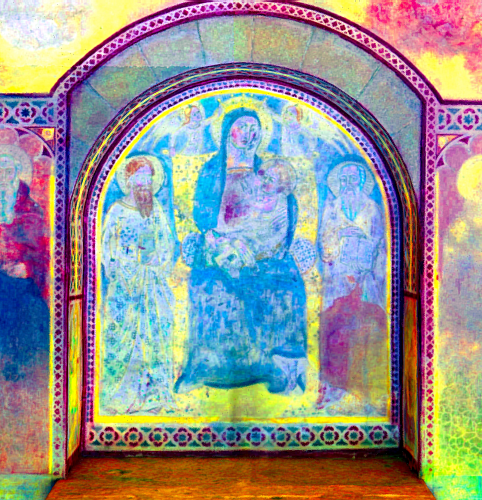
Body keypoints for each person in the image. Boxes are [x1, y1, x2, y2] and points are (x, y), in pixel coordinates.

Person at [175, 108, 308, 395]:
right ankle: (206, 368)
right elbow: (201, 213)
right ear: (227, 132)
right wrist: (216, 239)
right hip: (219, 246)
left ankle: (277, 369)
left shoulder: (267, 169)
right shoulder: (213, 170)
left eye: (254, 128)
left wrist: (269, 240)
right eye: (242, 127)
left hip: (261, 250)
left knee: (287, 285)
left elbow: (285, 203)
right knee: (211, 285)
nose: (249, 134)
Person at [100, 155, 177, 415]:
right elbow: (107, 246)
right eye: (140, 176)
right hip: (125, 283)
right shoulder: (117, 210)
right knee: (123, 335)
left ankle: (155, 395)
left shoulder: (155, 209)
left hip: (152, 282)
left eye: (149, 177)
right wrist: (122, 261)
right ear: (129, 180)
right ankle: (121, 396)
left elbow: (166, 241)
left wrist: (158, 258)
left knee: (155, 332)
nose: (145, 182)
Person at [317, 155, 388, 416]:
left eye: (353, 178)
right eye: (344, 179)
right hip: (337, 277)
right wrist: (339, 239)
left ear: (361, 181)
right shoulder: (332, 207)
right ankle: (335, 388)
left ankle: (365, 390)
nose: (348, 183)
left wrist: (362, 266)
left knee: (365, 327)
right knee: (335, 328)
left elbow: (379, 240)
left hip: (366, 278)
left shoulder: (372, 207)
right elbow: (325, 239)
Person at [0, 146, 49, 299]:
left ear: (16, 174)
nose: (3, 178)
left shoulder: (30, 210)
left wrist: (27, 267)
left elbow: (40, 253)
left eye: (8, 172)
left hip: (19, 282)